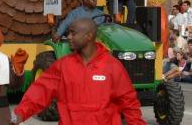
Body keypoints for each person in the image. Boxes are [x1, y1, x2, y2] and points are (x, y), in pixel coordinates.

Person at [12, 18, 146, 124]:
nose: (68, 37)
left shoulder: (113, 66)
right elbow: (40, 91)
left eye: (73, 33)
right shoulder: (62, 66)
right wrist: (19, 114)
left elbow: (130, 104)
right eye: (68, 33)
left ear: (89, 36)